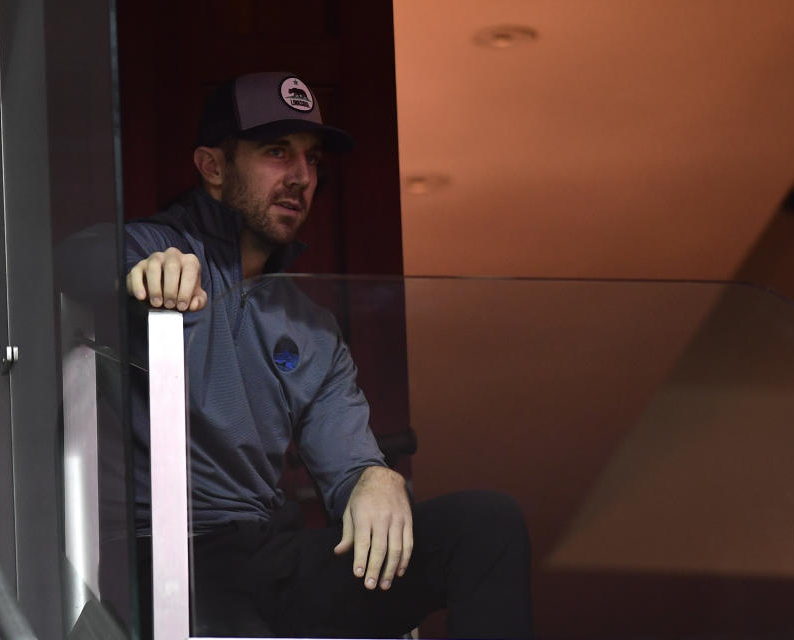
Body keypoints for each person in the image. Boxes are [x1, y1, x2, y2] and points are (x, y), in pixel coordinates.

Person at [125, 71, 532, 638]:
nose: (301, 178)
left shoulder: (311, 326)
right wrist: (135, 270)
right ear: (214, 167)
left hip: (271, 558)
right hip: (165, 559)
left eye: (312, 160)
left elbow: (348, 466)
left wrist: (374, 478)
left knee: (487, 525)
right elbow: (67, 261)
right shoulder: (148, 249)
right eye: (276, 152)